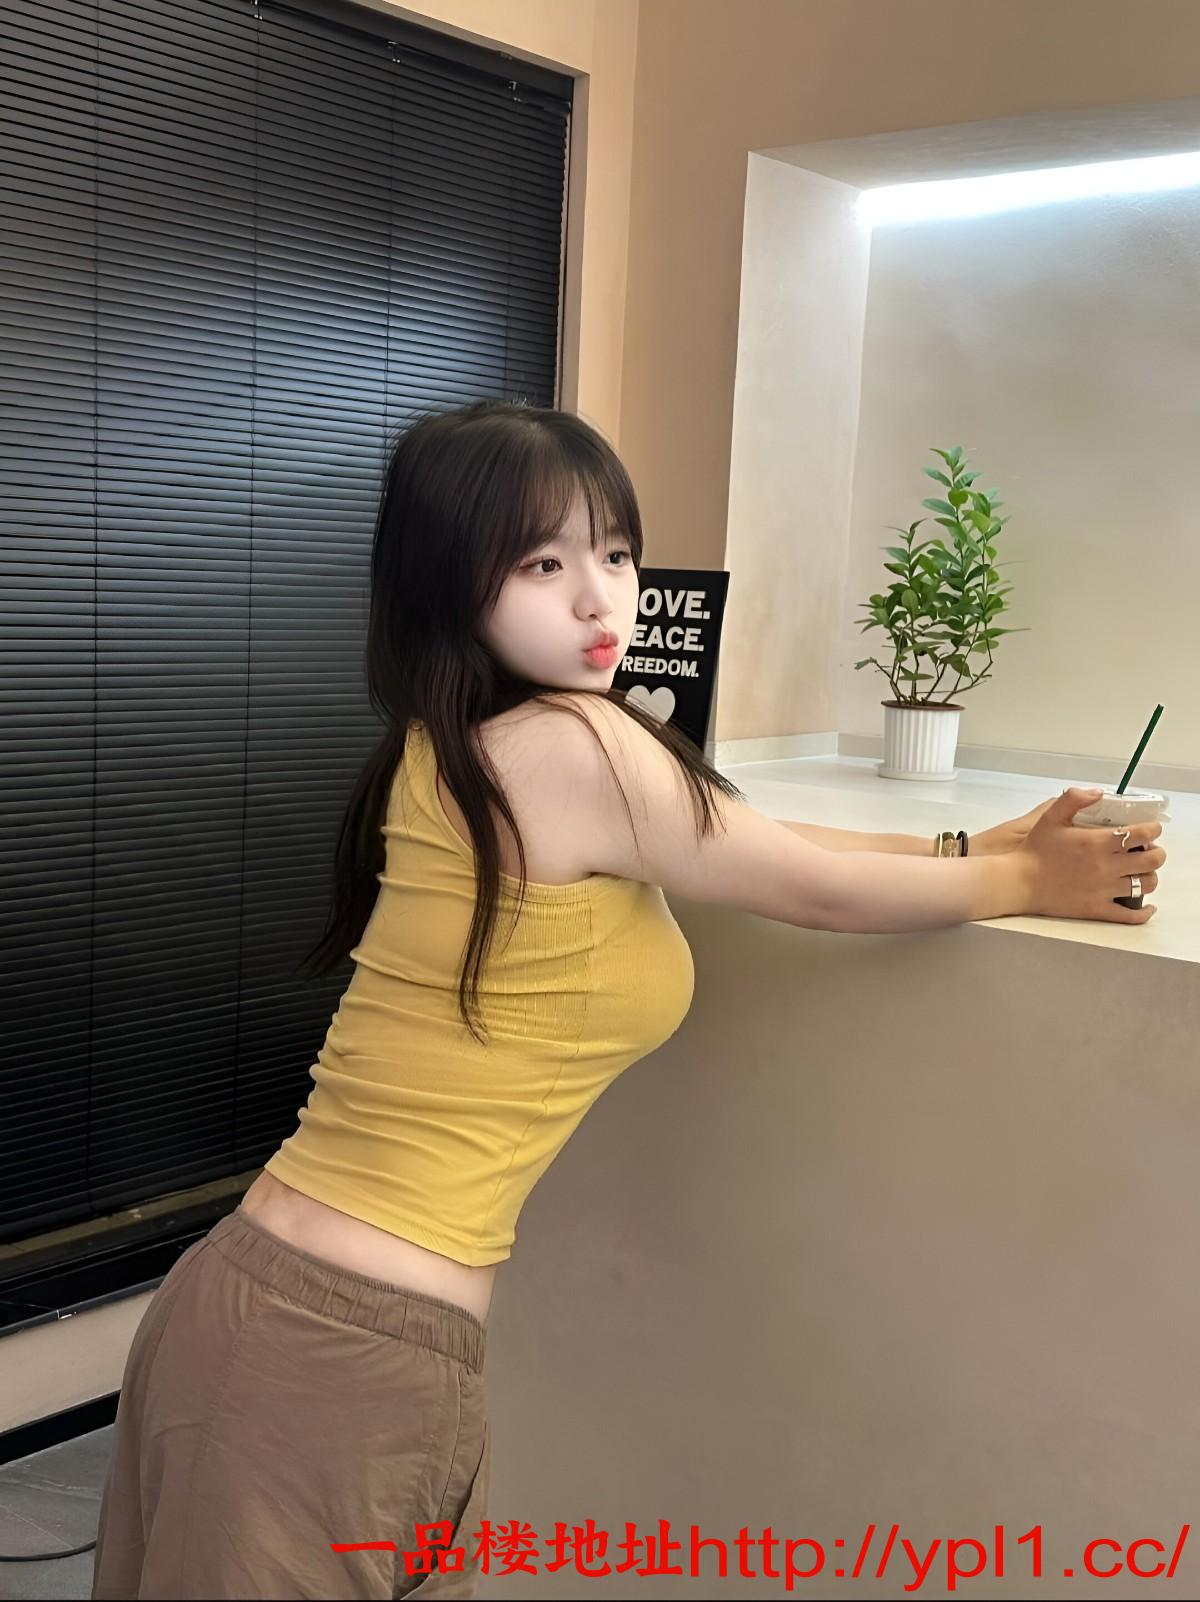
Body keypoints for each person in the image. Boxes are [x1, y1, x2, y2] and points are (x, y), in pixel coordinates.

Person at [90, 399, 1165, 1601]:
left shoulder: (462, 747)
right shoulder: (571, 747)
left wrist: (976, 844)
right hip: (328, 1355)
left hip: (287, 1319)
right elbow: (810, 890)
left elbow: (743, 837)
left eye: (614, 552)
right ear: (448, 583)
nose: (602, 600)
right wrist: (1030, 881)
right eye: (541, 564)